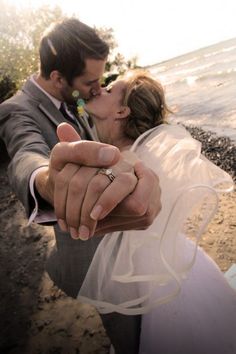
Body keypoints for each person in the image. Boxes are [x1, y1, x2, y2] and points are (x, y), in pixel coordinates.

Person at [0, 19, 162, 354]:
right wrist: (47, 180)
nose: (97, 87)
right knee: (130, 338)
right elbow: (25, 156)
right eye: (90, 81)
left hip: (128, 246)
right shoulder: (16, 111)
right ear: (58, 77)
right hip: (93, 263)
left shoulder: (78, 100)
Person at [76, 70, 236, 353]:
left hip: (149, 275)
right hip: (171, 258)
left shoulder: (127, 162)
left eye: (111, 88)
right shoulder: (134, 153)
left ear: (123, 110)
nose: (101, 88)